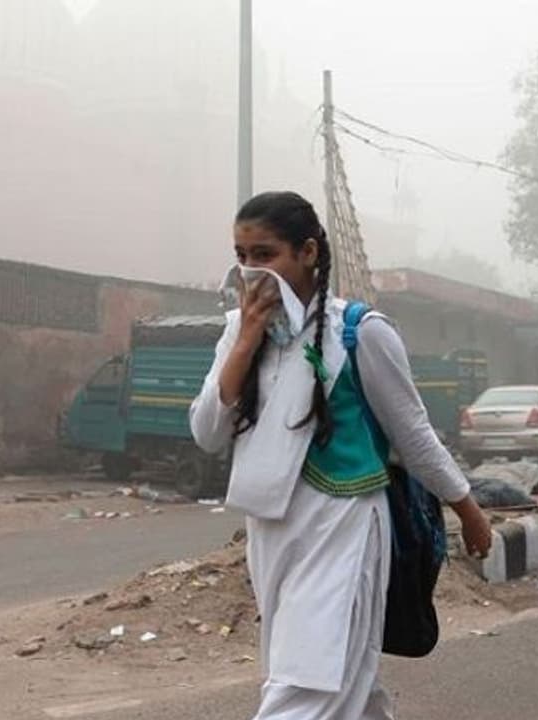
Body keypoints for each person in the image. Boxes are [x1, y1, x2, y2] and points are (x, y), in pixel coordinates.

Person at [189, 191, 492, 719]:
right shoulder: (239, 331)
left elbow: (414, 435)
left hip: (344, 524)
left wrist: (467, 509)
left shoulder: (361, 332)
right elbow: (207, 433)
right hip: (271, 530)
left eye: (265, 255)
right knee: (338, 676)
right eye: (242, 256)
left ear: (307, 252)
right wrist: (244, 343)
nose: (251, 271)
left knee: (310, 683)